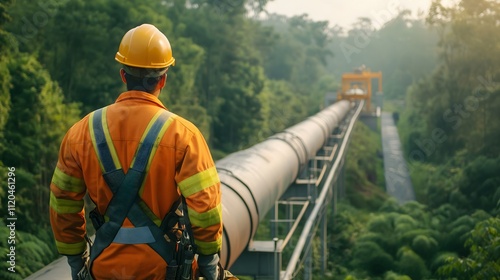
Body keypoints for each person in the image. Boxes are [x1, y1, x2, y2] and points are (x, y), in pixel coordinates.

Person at [49, 24, 223, 280]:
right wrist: (209, 262)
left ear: (123, 75)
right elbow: (205, 208)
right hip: (164, 270)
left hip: (103, 269)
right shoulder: (184, 135)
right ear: (163, 79)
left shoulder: (80, 133)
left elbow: (63, 203)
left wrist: (77, 262)